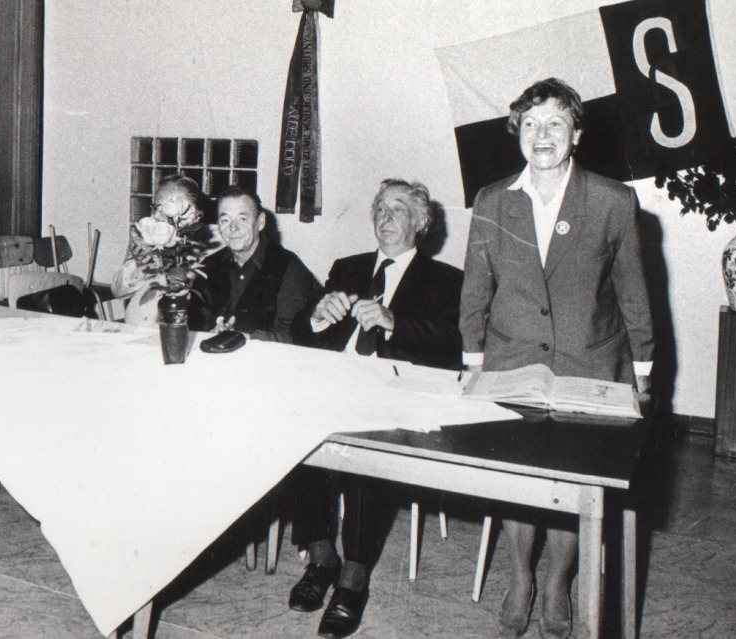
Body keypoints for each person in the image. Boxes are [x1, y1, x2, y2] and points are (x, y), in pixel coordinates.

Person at [459, 77, 653, 639]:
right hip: (511, 362)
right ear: (517, 131)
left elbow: (634, 292)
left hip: (589, 364)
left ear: (577, 134)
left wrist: (642, 373)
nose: (541, 135)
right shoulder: (492, 200)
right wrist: (473, 363)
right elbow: (475, 290)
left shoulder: (613, 201)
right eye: (530, 123)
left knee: (573, 484)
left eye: (556, 123)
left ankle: (557, 580)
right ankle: (521, 575)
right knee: (519, 481)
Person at [289, 179, 463, 639]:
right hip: (335, 384)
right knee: (292, 423)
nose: (385, 218)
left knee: (371, 440)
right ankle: (322, 557)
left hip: (393, 395)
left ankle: (354, 576)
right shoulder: (347, 268)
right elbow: (301, 333)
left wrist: (394, 323)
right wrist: (317, 317)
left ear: (421, 223)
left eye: (398, 209)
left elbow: (452, 346)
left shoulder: (446, 279)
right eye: (380, 209)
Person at [189, 186, 321, 342]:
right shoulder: (209, 266)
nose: (233, 228)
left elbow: (294, 336)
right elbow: (196, 323)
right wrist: (212, 331)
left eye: (242, 219)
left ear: (260, 222)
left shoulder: (289, 268)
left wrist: (244, 338)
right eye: (225, 220)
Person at [111, 174, 205, 324]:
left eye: (179, 213)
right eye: (159, 210)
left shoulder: (208, 248)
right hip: (138, 327)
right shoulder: (147, 237)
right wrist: (138, 267)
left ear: (197, 215)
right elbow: (118, 292)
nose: (165, 219)